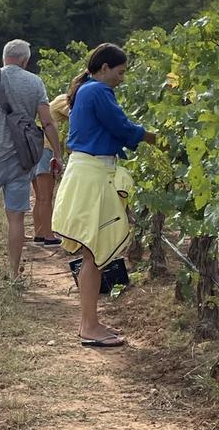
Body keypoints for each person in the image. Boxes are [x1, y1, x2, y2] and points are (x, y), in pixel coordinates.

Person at [52, 44, 156, 348]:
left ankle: (90, 322)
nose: (122, 79)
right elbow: (121, 127)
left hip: (89, 172)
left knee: (93, 254)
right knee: (93, 254)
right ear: (105, 67)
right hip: (92, 176)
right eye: (120, 72)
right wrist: (156, 139)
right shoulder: (97, 90)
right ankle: (89, 326)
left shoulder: (86, 90)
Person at [0, 40, 62, 278]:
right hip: (21, 159)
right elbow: (47, 122)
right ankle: (14, 273)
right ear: (25, 61)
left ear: (4, 57)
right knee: (16, 216)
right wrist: (57, 153)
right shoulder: (35, 82)